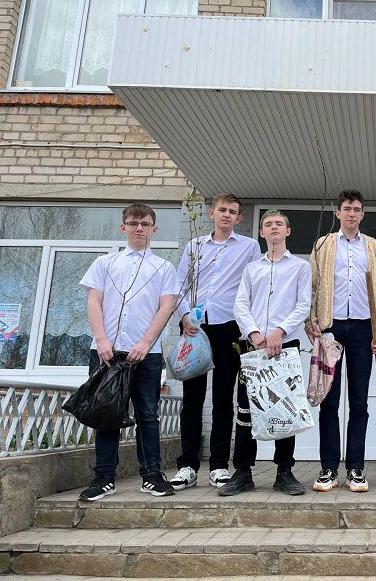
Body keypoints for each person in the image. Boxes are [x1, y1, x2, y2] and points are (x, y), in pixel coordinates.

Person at [78, 204, 179, 501]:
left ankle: (152, 476)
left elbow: (166, 307)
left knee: (148, 415)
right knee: (106, 413)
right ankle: (104, 478)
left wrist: (146, 343)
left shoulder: (163, 267)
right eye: (134, 223)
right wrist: (102, 340)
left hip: (147, 354)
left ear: (154, 229)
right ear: (123, 227)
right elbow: (94, 301)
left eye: (145, 224)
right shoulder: (105, 263)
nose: (139, 229)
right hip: (107, 353)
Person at [170, 193, 261, 491]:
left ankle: (219, 465)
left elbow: (253, 287)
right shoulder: (194, 246)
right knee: (192, 399)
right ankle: (187, 466)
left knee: (223, 399)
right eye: (222, 210)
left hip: (228, 328)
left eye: (232, 212)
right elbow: (180, 284)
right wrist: (184, 315)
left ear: (238, 218)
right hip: (195, 327)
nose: (226, 215)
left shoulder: (249, 247)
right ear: (211, 213)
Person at [220, 210, 311, 497]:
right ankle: (243, 472)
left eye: (279, 224)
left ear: (288, 231)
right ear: (261, 233)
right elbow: (240, 304)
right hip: (253, 346)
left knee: (285, 409)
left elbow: (303, 305)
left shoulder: (300, 267)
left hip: (285, 346)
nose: (274, 228)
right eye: (268, 224)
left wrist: (279, 332)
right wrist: (254, 333)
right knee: (246, 408)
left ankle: (284, 471)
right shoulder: (251, 269)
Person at [306, 189, 376, 492]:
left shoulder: (375, 247)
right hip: (329, 329)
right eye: (347, 208)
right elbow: (312, 286)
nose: (352, 213)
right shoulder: (322, 245)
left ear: (362, 214)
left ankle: (356, 468)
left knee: (358, 402)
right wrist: (311, 322)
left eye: (356, 209)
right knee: (328, 401)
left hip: (363, 330)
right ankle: (328, 468)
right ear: (338, 213)